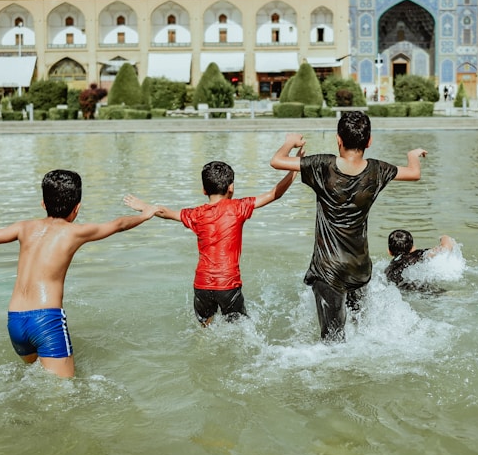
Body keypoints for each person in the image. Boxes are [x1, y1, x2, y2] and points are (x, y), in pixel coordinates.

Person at [0, 169, 160, 378]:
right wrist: (145, 213)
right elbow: (118, 224)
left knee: (33, 378)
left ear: (43, 204)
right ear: (77, 208)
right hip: (46, 320)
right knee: (62, 393)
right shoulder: (75, 232)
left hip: (15, 321)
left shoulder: (24, 228)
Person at [270, 112, 426, 342]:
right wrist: (412, 155)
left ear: (338, 140)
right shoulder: (377, 170)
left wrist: (290, 142)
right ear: (369, 141)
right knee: (360, 329)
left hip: (329, 268)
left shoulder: (321, 165)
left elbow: (277, 161)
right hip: (359, 267)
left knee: (333, 341)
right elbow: (414, 173)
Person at [122, 158, 300, 326]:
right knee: (239, 329)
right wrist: (294, 168)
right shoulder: (239, 208)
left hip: (202, 284)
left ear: (204, 190)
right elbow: (274, 194)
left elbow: (164, 212)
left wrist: (145, 207)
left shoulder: (196, 214)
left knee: (205, 328)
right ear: (231, 187)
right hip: (227, 284)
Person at [385, 230, 456, 293]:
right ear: (413, 248)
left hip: (403, 290)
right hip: (424, 288)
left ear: (389, 252)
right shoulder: (417, 255)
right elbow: (446, 248)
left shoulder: (388, 270)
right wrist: (444, 236)